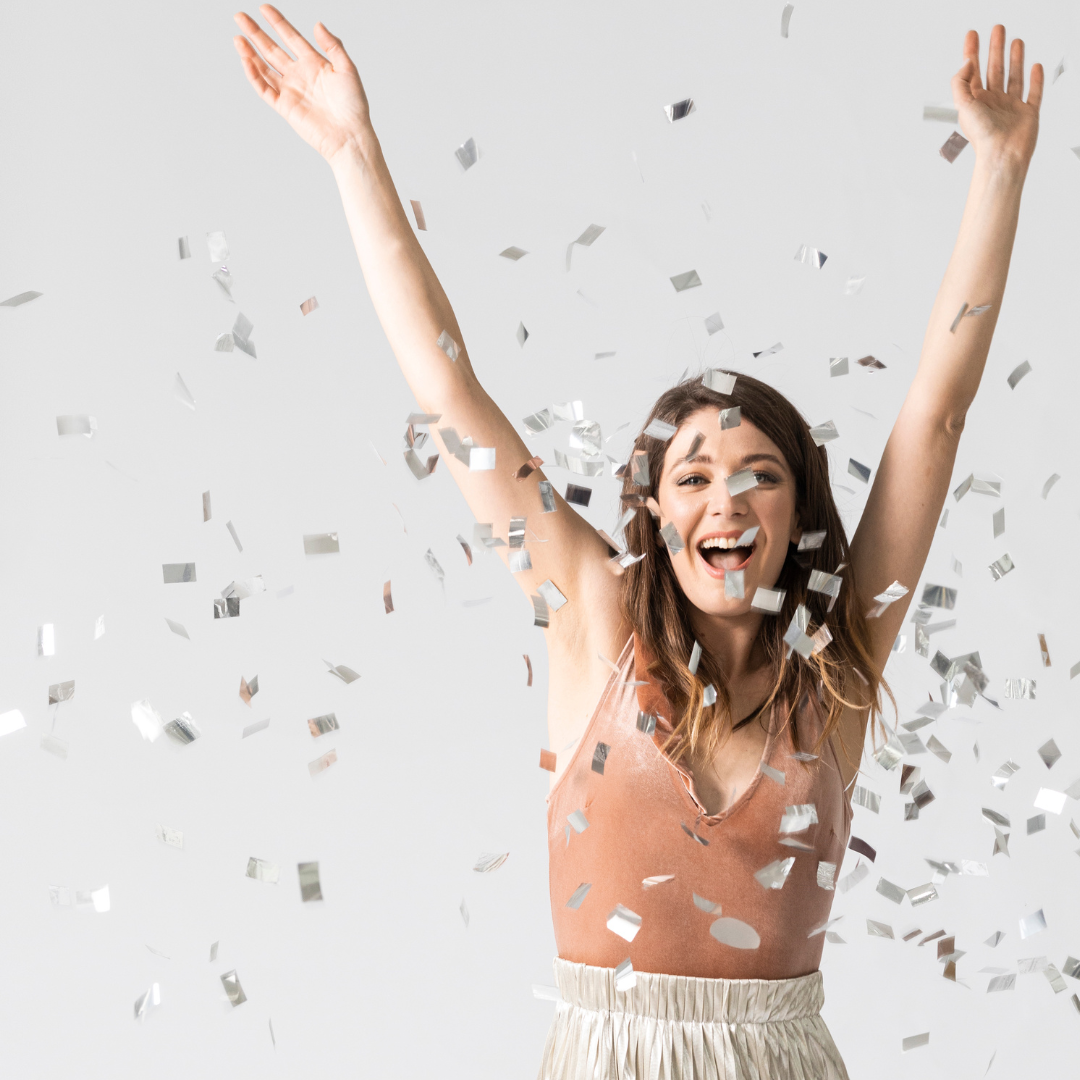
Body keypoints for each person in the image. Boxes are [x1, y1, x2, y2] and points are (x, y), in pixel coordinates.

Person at [233, 10, 1042, 1077]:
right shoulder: (592, 618)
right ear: (655, 517)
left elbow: (935, 414)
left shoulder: (835, 671)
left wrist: (999, 170)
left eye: (761, 476)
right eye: (694, 478)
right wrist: (353, 154)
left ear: (799, 515)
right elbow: (448, 389)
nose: (727, 502)